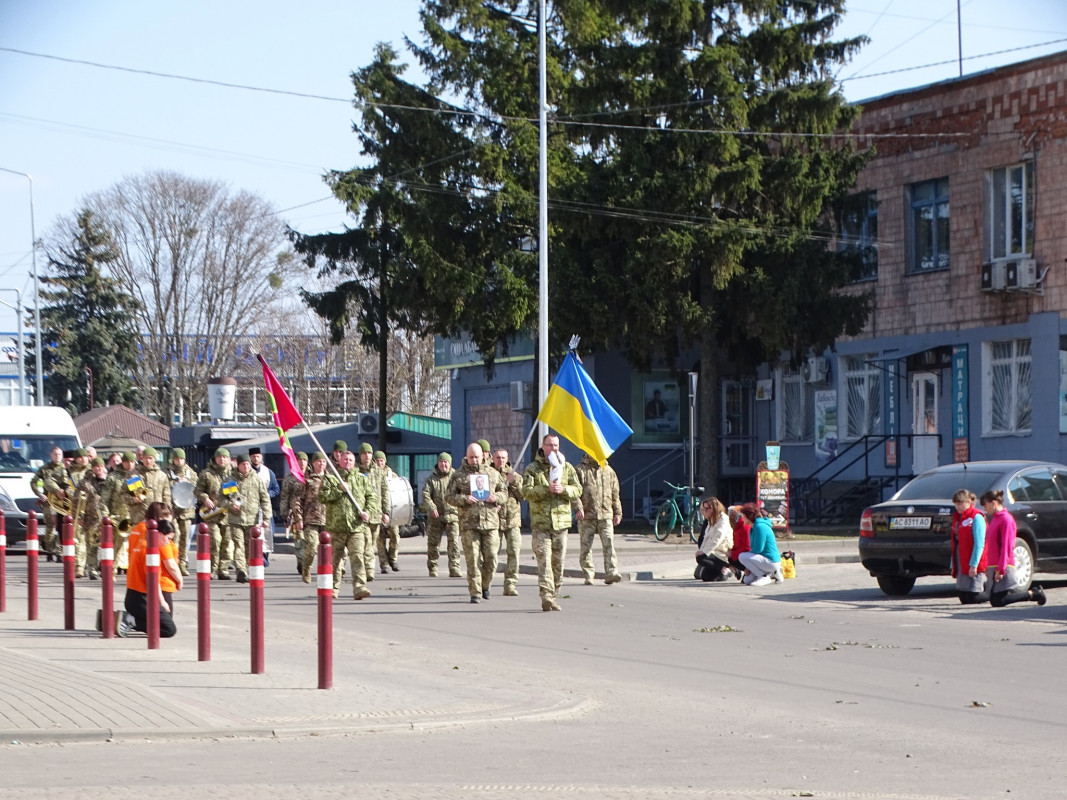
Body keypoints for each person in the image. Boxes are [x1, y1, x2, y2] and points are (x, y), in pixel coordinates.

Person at [522, 433, 582, 611]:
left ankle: (554, 595)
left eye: (556, 445)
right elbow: (526, 492)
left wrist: (564, 489)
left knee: (558, 564)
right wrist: (545, 489)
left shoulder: (566, 467)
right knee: (544, 561)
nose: (553, 448)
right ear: (543, 446)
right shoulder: (533, 469)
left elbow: (578, 489)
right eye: (549, 445)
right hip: (541, 524)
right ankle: (546, 596)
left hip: (561, 524)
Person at [447, 441, 506, 604]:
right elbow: (449, 496)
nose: (474, 460)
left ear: (483, 456)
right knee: (472, 559)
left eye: (477, 457)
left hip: (490, 523)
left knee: (492, 558)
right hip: (469, 524)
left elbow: (504, 492)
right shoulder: (458, 475)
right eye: (471, 457)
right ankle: (475, 591)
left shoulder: (492, 473)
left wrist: (496, 497)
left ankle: (485, 585)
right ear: (467, 457)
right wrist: (464, 499)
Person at [319, 448, 378, 600]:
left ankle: (359, 587)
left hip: (356, 527)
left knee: (357, 557)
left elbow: (372, 498)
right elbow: (322, 497)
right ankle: (333, 588)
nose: (348, 462)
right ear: (339, 460)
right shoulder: (331, 478)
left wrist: (367, 511)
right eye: (345, 460)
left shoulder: (361, 479)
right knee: (335, 560)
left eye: (350, 460)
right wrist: (339, 489)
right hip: (336, 527)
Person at [119, 507, 182, 638]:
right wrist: (162, 602)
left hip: (133, 596)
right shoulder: (151, 552)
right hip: (141, 598)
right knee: (168, 629)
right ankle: (130, 620)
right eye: (167, 538)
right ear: (159, 534)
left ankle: (112, 619)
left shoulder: (143, 543)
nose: (168, 542)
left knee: (165, 621)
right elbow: (153, 581)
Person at [979, 490, 1046, 607]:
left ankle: (1033, 593)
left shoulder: (1006, 519)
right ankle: (1033, 594)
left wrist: (1001, 569)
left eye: (986, 505)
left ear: (993, 503)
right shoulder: (995, 519)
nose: (985, 509)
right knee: (995, 599)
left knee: (999, 600)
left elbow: (1007, 546)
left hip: (1003, 564)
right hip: (994, 564)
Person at [574, 453, 623, 585]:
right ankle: (588, 574)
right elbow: (575, 493)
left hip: (606, 514)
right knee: (586, 546)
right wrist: (578, 508)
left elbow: (615, 494)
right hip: (587, 515)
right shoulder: (580, 470)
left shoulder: (609, 470)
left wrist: (618, 513)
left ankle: (611, 572)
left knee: (609, 543)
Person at [227, 454, 272, 583]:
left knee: (249, 547)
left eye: (247, 464)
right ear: (238, 465)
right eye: (243, 464)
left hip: (252, 520)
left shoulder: (256, 480)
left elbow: (265, 499)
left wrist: (266, 518)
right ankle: (240, 570)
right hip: (236, 519)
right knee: (238, 545)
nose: (246, 466)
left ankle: (246, 569)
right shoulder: (231, 480)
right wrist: (230, 505)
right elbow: (223, 499)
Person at [194, 447, 236, 580]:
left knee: (227, 543)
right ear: (215, 458)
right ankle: (212, 569)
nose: (222, 459)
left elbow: (237, 493)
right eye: (219, 457)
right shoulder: (207, 474)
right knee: (215, 541)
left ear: (229, 459)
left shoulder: (233, 474)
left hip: (228, 514)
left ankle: (223, 570)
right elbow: (198, 491)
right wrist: (205, 498)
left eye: (224, 457)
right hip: (212, 514)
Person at [420, 452, 461, 578]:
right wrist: (432, 507)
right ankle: (433, 567)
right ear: (438, 463)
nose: (443, 464)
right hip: (436, 517)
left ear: (450, 463)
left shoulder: (456, 477)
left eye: (446, 462)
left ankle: (454, 567)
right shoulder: (431, 479)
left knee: (454, 543)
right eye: (441, 462)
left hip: (452, 515)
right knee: (433, 544)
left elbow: (462, 493)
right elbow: (425, 495)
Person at [291, 452, 327, 583]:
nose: (321, 464)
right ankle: (306, 568)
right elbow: (297, 500)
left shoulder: (331, 478)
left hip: (328, 519)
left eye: (323, 461)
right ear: (313, 463)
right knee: (311, 545)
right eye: (318, 461)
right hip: (310, 519)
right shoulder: (306, 479)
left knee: (330, 549)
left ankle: (328, 572)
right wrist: (298, 518)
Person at [491, 447, 524, 595]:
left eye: (503, 458)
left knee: (514, 552)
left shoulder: (514, 475)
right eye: (498, 457)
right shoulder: (488, 474)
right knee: (491, 554)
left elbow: (523, 496)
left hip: (512, 520)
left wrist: (514, 483)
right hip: (494, 521)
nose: (501, 460)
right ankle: (486, 582)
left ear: (507, 459)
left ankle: (510, 584)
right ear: (493, 459)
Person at [355, 443, 390, 581]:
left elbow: (385, 492)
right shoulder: (355, 471)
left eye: (369, 453)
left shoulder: (379, 471)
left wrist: (386, 512)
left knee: (371, 542)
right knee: (366, 542)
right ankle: (368, 570)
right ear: (360, 455)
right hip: (362, 514)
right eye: (364, 453)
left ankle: (366, 568)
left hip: (376, 514)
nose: (367, 456)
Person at [950, 489, 989, 604]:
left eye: (960, 503)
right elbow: (955, 542)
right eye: (956, 503)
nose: (957, 506)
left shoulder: (976, 517)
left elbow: (979, 543)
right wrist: (953, 564)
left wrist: (974, 565)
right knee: (964, 598)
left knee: (973, 597)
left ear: (968, 502)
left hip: (974, 560)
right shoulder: (958, 517)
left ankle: (993, 594)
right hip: (962, 560)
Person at [75, 456, 111, 580]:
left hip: (107, 517)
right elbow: (76, 500)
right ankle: (92, 569)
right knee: (92, 545)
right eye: (96, 467)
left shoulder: (109, 480)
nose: (99, 469)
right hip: (91, 518)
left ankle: (106, 567)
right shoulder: (85, 482)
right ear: (92, 468)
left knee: (107, 544)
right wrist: (78, 516)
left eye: (101, 466)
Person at [32, 445, 68, 561]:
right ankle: (49, 550)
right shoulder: (44, 469)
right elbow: (34, 482)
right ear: (51, 455)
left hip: (61, 501)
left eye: (59, 454)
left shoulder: (65, 468)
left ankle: (59, 551)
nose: (57, 457)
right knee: (50, 526)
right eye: (55, 454)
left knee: (61, 526)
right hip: (48, 501)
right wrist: (39, 494)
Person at [167, 447, 198, 576]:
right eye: (177, 459)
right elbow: (164, 488)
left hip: (187, 509)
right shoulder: (167, 473)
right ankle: (174, 562)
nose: (179, 461)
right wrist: (174, 483)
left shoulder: (191, 473)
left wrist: (188, 482)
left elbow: (197, 488)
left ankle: (183, 564)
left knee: (185, 537)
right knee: (175, 536)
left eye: (181, 459)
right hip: (172, 510)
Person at [248, 447, 279, 565]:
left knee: (267, 533)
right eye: (253, 456)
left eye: (258, 456)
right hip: (250, 509)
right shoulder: (246, 470)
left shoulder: (268, 472)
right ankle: (255, 558)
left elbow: (276, 489)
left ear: (261, 457)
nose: (256, 458)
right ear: (250, 457)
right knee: (252, 534)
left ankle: (264, 558)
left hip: (265, 508)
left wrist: (266, 495)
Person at [739, 504, 782, 585]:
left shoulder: (760, 527)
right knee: (747, 580)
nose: (742, 518)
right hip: (764, 559)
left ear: (749, 516)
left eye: (743, 516)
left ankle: (764, 576)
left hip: (771, 560)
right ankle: (773, 573)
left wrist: (748, 561)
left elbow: (758, 549)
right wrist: (748, 566)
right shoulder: (754, 527)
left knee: (742, 556)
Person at [373, 450, 401, 572]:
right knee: (380, 539)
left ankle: (393, 559)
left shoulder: (392, 475)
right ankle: (384, 564)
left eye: (382, 461)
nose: (380, 463)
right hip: (377, 510)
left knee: (395, 535)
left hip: (392, 510)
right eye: (377, 461)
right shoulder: (372, 474)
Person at [694, 497, 734, 582]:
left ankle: (728, 567)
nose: (703, 512)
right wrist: (701, 550)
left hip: (723, 552)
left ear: (712, 509)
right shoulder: (711, 520)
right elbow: (705, 538)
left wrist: (704, 552)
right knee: (706, 577)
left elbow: (717, 539)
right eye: (702, 509)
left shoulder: (723, 520)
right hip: (715, 552)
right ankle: (722, 570)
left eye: (705, 509)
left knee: (701, 558)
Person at [727, 504, 752, 580]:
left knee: (733, 558)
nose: (730, 518)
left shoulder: (744, 527)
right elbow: (736, 544)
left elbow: (748, 547)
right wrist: (731, 551)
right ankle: (746, 570)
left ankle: (750, 570)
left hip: (748, 554)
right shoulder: (736, 528)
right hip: (741, 553)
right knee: (731, 558)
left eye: (732, 515)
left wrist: (733, 553)